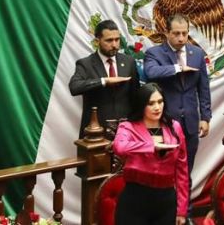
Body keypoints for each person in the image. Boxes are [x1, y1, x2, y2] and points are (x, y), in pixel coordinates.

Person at [142, 14, 210, 216]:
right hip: (164, 123)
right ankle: (163, 215)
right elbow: (151, 72)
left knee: (185, 172)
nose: (181, 38)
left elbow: (203, 88)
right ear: (167, 33)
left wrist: (205, 117)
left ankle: (184, 213)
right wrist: (178, 68)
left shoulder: (197, 53)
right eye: (176, 34)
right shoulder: (154, 53)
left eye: (184, 33)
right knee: (162, 171)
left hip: (190, 123)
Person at [113, 83, 189, 225]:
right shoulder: (128, 127)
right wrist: (152, 146)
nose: (157, 107)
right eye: (151, 103)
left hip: (166, 201)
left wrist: (182, 210)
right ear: (141, 105)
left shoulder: (174, 127)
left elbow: (182, 171)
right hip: (135, 200)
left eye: (160, 102)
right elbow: (119, 147)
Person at [69, 19, 140, 135]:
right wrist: (104, 81)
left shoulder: (129, 62)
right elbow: (74, 87)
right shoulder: (85, 64)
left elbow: (135, 96)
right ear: (97, 41)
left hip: (125, 131)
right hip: (95, 131)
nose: (114, 45)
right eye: (109, 40)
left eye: (117, 40)